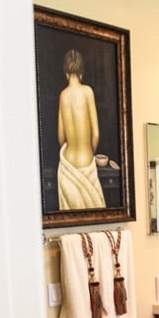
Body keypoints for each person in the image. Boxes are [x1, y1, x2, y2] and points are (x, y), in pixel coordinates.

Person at [57, 49, 105, 209]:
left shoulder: (63, 95)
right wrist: (89, 152)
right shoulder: (88, 92)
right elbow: (96, 134)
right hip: (86, 160)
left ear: (65, 72)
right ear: (81, 72)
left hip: (67, 167)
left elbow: (61, 137)